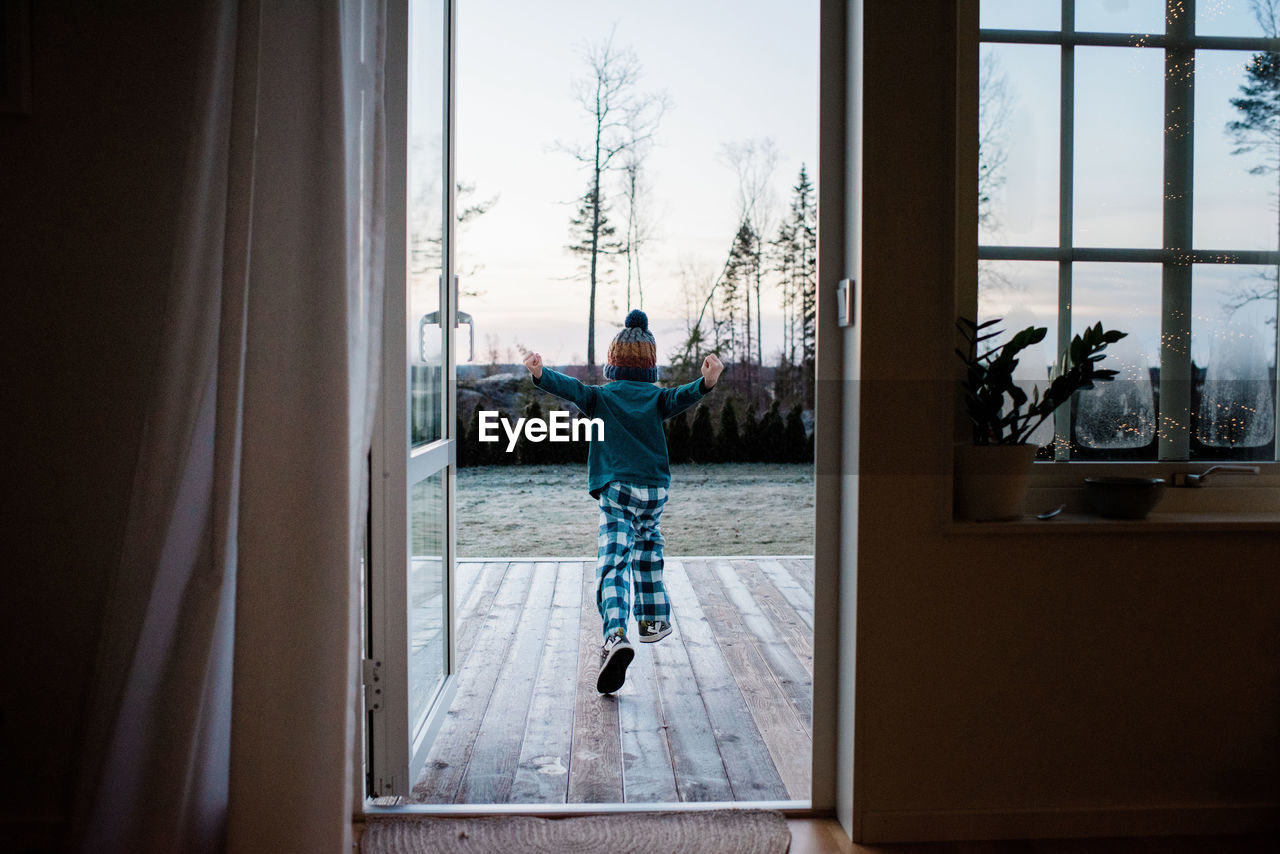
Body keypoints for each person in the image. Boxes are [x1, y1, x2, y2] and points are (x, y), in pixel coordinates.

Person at [522, 309, 724, 694]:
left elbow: (570, 389)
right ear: (650, 367)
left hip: (617, 489)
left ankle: (616, 635)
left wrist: (540, 373)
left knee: (613, 562)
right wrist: (707, 381)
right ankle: (652, 621)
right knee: (648, 552)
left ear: (612, 364)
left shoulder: (601, 397)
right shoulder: (657, 398)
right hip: (654, 491)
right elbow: (683, 396)